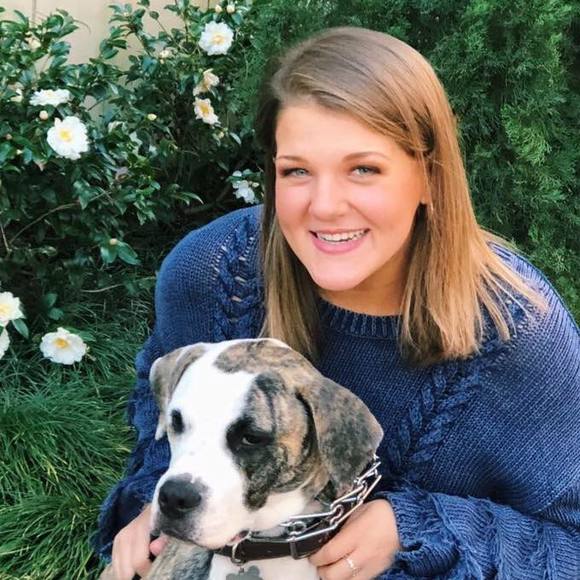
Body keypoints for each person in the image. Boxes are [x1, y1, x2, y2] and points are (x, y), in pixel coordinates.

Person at [93, 27, 580, 580]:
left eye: (363, 169)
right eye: (297, 170)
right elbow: (160, 412)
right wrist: (155, 502)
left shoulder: (517, 337)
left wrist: (419, 528)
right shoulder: (213, 273)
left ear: (430, 177)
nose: (325, 206)